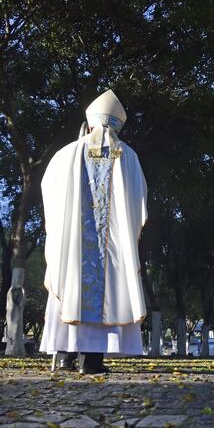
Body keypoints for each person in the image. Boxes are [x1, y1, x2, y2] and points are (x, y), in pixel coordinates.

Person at [39, 90, 147, 374]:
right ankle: (91, 361)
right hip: (112, 251)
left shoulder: (67, 153)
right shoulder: (129, 157)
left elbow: (49, 190)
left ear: (89, 125)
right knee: (106, 293)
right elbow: (139, 202)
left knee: (70, 288)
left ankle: (64, 358)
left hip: (73, 247)